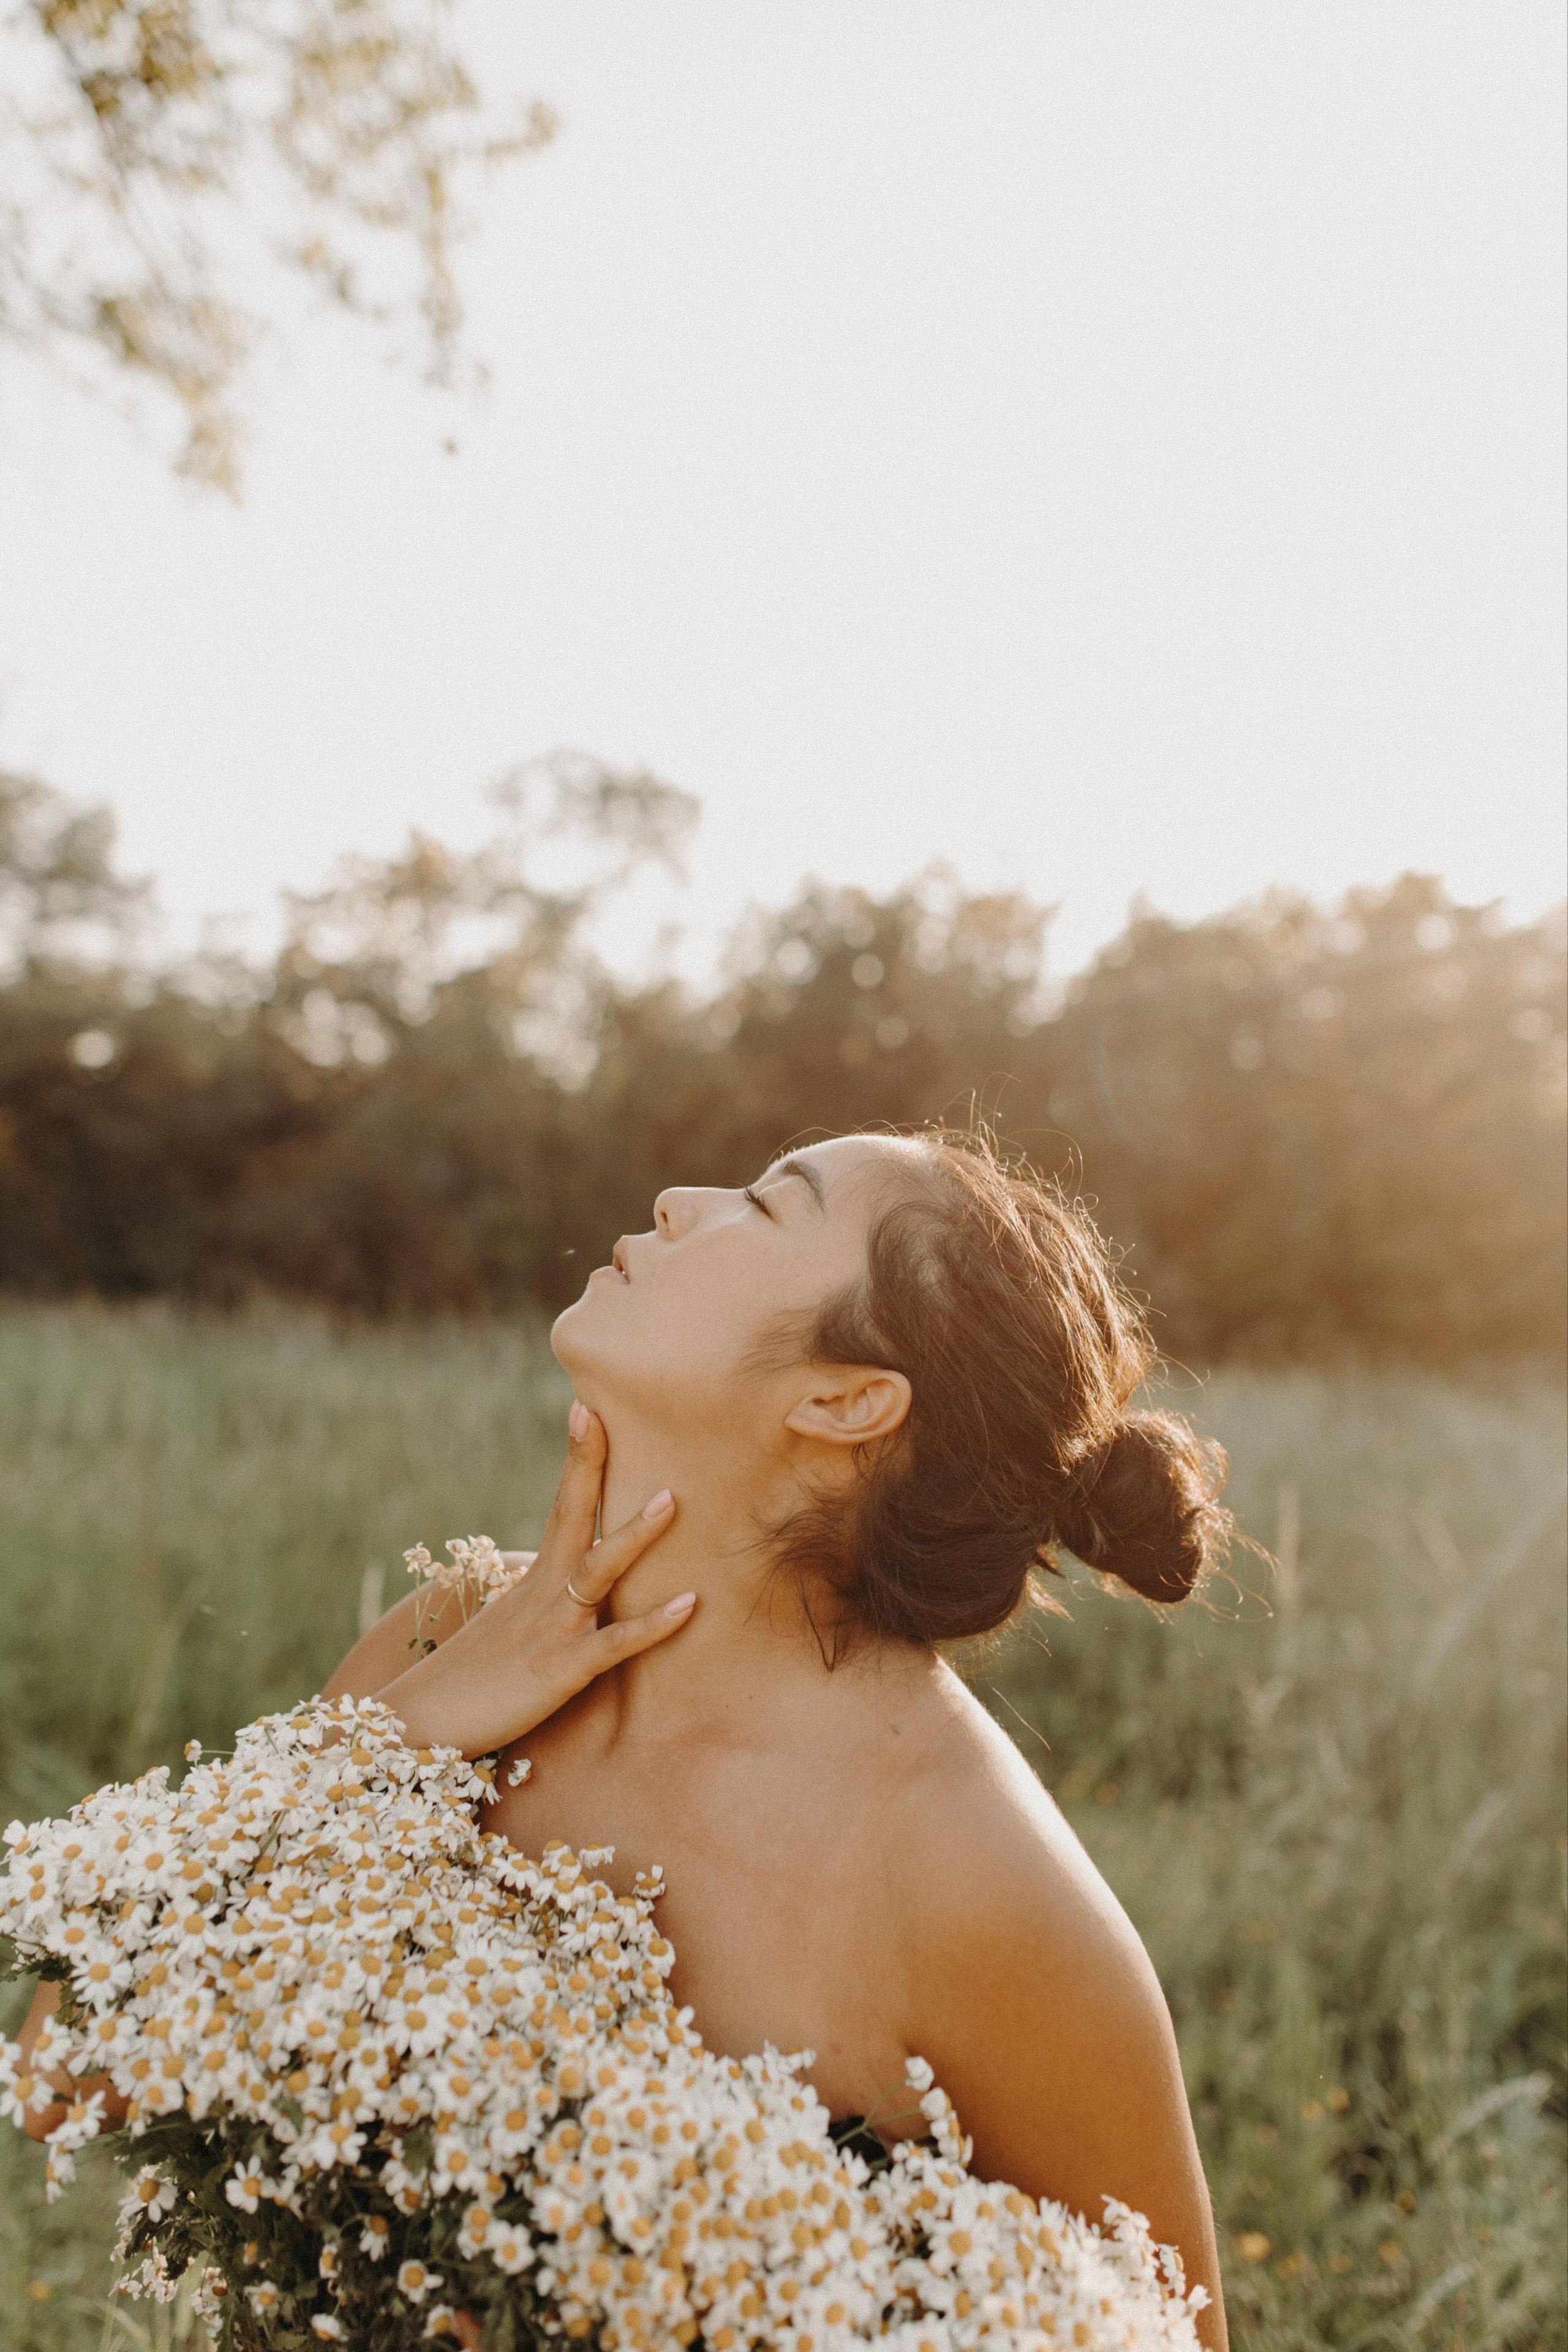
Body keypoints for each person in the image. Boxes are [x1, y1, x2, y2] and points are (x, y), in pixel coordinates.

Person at [23, 1128, 1232, 2346]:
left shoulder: (972, 1876)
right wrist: (395, 1736)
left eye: (767, 1208)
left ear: (844, 1399)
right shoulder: (449, 1636)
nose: (672, 1199)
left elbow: (1169, 2331)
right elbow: (61, 2071)